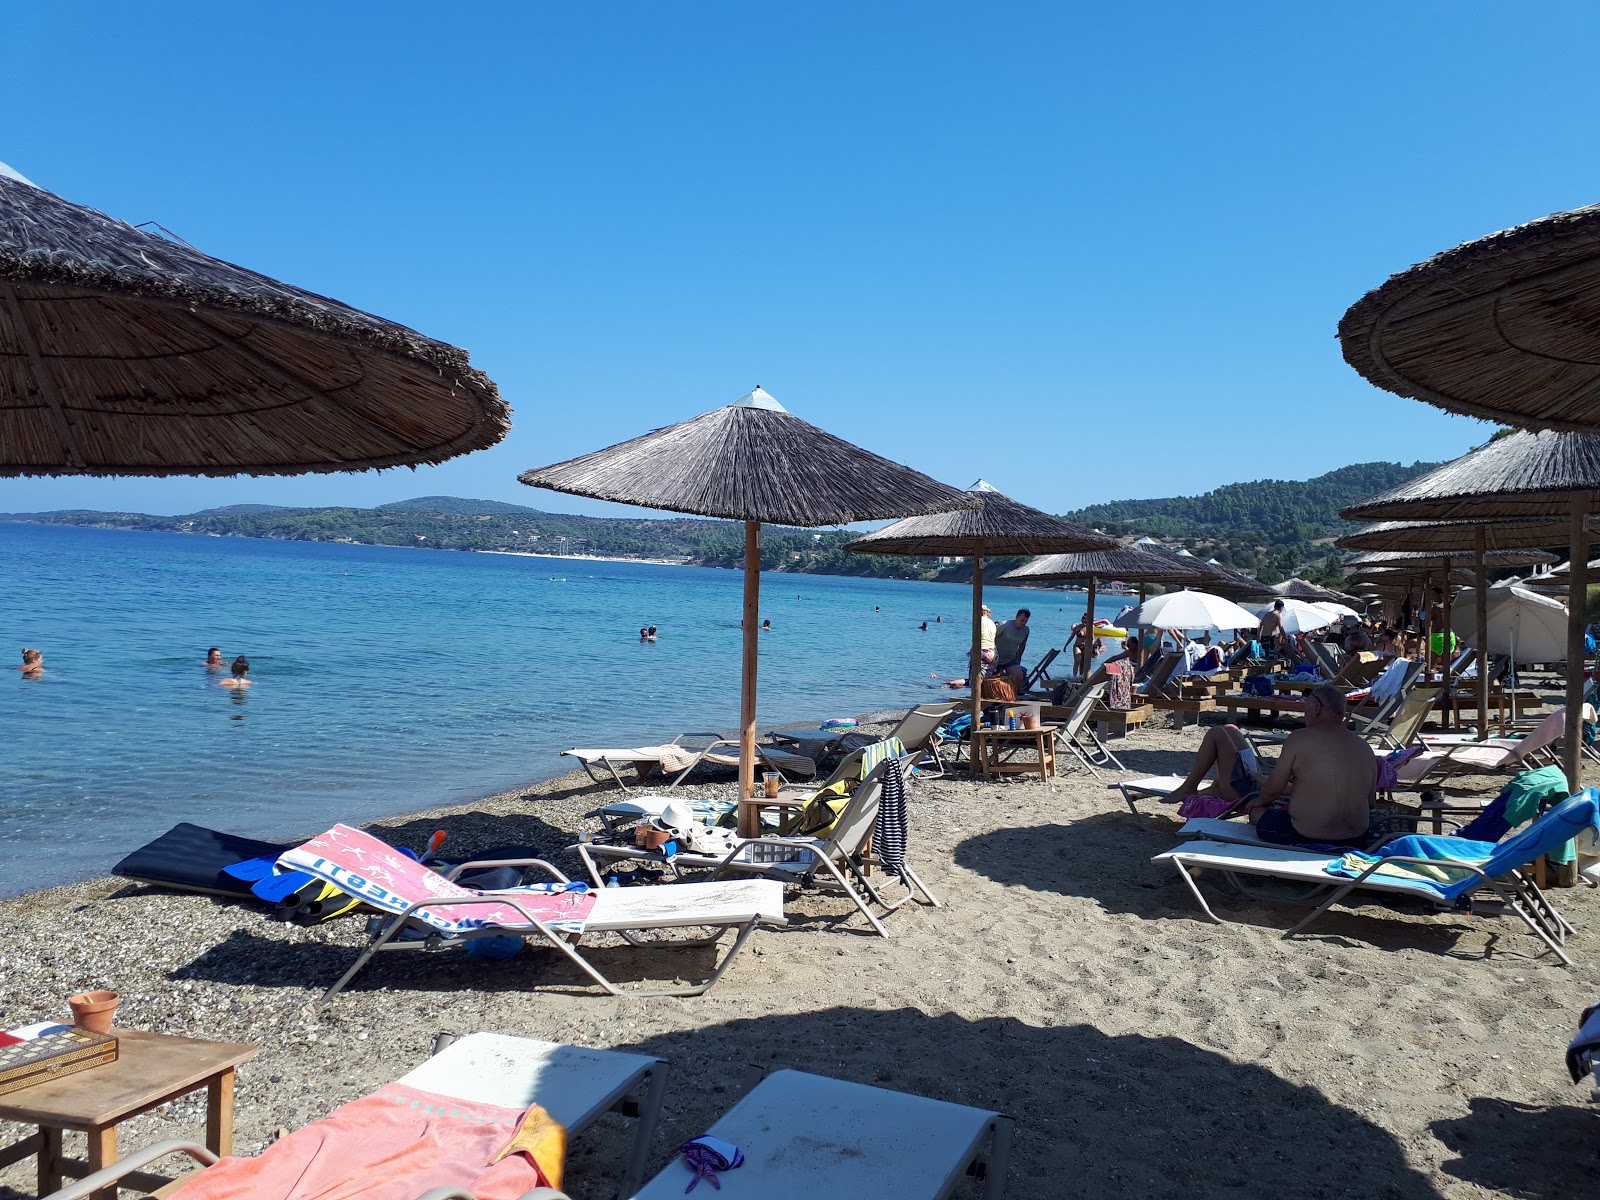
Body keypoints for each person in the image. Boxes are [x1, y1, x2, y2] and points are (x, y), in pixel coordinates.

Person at [1246, 685, 1376, 845]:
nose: (1304, 712)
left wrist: (1258, 802)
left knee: (1256, 813)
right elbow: (1370, 802)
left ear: (1316, 708)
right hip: (1356, 837)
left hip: (1304, 833)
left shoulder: (1299, 738)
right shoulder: (1364, 746)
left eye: (1306, 705)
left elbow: (1272, 791)